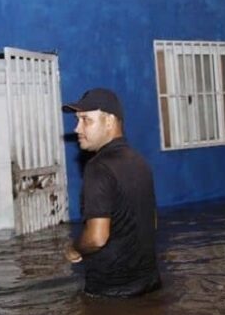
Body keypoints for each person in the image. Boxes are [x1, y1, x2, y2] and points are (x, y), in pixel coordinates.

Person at [61, 88, 161, 297]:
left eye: (86, 120)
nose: (78, 128)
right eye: (78, 120)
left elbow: (97, 238)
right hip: (150, 286)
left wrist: (74, 249)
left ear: (109, 122)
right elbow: (152, 222)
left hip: (111, 293)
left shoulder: (98, 168)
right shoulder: (140, 162)